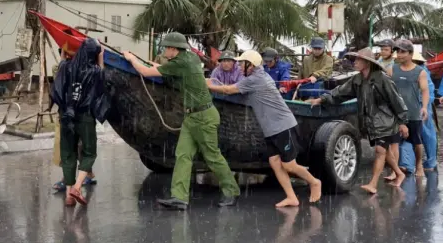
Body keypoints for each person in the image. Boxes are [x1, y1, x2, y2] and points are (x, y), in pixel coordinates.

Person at [124, 32, 240, 210]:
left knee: (212, 156)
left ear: (173, 49)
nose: (164, 51)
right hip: (191, 116)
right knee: (183, 155)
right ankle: (179, 197)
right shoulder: (190, 58)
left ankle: (231, 190)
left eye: (166, 48)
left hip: (203, 117)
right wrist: (149, 63)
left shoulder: (181, 62)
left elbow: (147, 72)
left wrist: (131, 59)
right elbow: (162, 68)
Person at [206, 50, 321, 207]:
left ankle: (314, 182)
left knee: (289, 165)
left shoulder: (255, 79)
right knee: (274, 162)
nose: (238, 66)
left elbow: (227, 90)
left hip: (283, 126)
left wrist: (209, 85)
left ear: (250, 65)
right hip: (271, 129)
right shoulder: (256, 77)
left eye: (241, 63)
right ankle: (291, 197)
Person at [308, 48, 409, 194]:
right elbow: (341, 92)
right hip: (371, 123)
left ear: (367, 63)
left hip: (385, 121)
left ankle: (373, 184)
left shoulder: (382, 78)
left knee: (380, 151)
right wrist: (322, 99)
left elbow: (396, 100)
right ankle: (399, 174)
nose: (355, 63)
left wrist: (403, 122)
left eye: (358, 60)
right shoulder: (358, 79)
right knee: (385, 152)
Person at [51, 38, 106, 207]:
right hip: (85, 118)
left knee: (68, 155)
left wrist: (63, 54)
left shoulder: (66, 67)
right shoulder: (95, 71)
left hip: (66, 117)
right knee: (89, 153)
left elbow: (60, 70)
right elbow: (102, 77)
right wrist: (101, 56)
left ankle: (69, 196)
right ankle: (76, 187)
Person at [52, 46, 96, 192]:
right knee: (68, 149)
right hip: (67, 116)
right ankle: (72, 181)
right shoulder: (63, 68)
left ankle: (77, 181)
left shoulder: (80, 69)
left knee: (77, 148)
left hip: (74, 116)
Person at [386, 39, 429, 178]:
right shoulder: (392, 69)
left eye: (403, 52)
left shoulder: (419, 71)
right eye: (398, 51)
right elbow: (386, 89)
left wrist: (424, 107)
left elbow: (425, 91)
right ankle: (395, 170)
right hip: (396, 114)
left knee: (417, 142)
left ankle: (419, 165)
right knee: (394, 143)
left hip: (413, 112)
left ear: (411, 54)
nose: (399, 54)